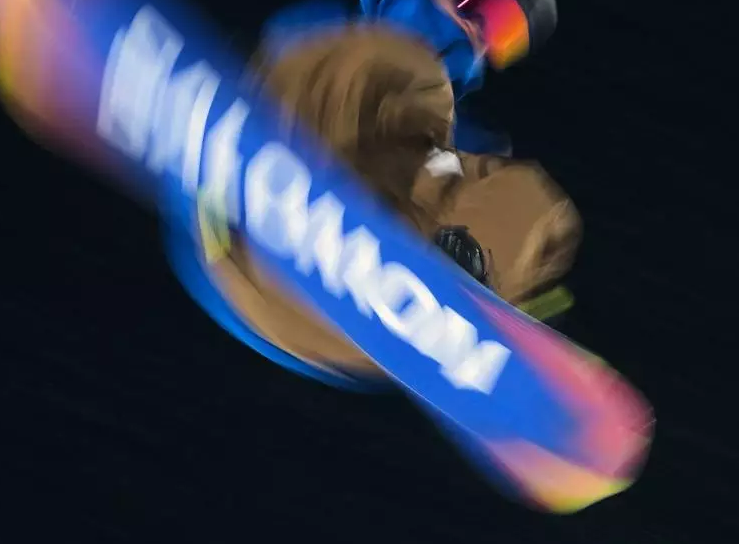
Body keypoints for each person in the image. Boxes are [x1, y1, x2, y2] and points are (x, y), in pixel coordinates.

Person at [166, 22, 580, 390]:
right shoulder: (393, 50)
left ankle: (465, 292)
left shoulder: (455, 121)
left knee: (531, 199)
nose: (480, 32)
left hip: (329, 312)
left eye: (503, 35)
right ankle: (241, 150)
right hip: (256, 237)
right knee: (410, 69)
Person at [262, 0, 558, 155]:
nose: (479, 31)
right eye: (484, 4)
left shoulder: (465, 146)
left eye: (504, 35)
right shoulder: (321, 27)